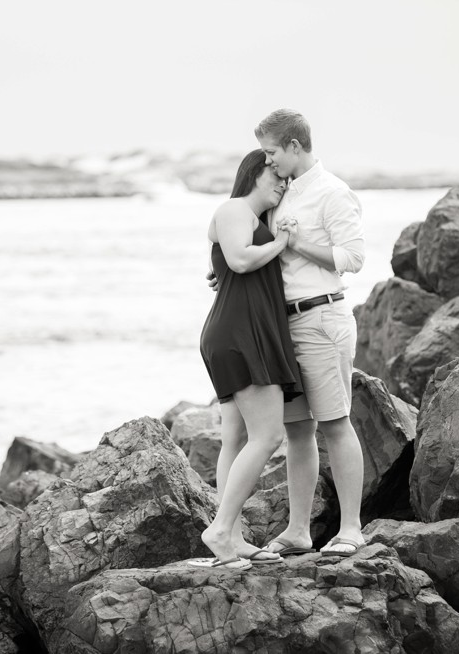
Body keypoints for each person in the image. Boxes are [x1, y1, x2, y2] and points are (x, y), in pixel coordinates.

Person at [254, 109, 367, 557]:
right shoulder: (278, 193)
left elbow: (353, 258)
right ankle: (298, 530)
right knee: (297, 430)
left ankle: (352, 529)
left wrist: (298, 243)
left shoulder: (333, 193)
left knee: (336, 424)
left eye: (271, 152)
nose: (268, 161)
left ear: (294, 147)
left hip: (322, 318)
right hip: (284, 325)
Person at [192, 149, 304, 570]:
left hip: (236, 333)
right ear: (255, 173)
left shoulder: (249, 219)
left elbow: (222, 265)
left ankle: (233, 537)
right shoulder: (235, 208)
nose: (283, 183)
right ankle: (220, 530)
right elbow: (238, 260)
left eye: (286, 179)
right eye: (276, 174)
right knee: (268, 435)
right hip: (241, 336)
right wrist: (280, 243)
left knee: (236, 438)